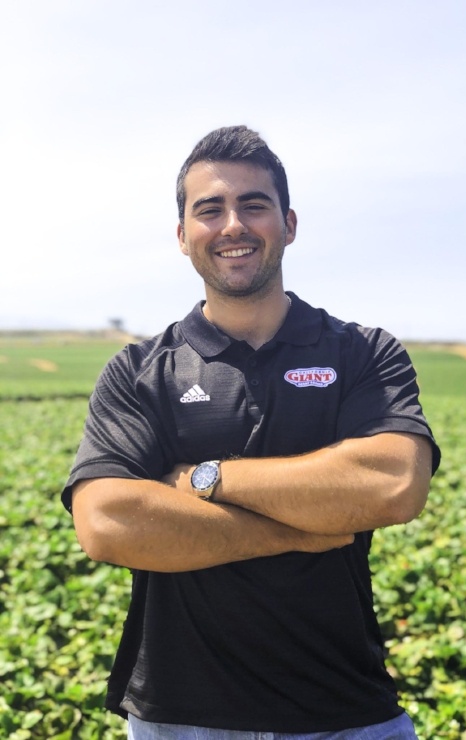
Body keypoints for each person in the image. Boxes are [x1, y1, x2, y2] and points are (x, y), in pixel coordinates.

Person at [62, 125, 440, 740]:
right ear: (184, 237)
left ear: (289, 224)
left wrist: (204, 480)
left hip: (346, 712)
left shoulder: (362, 352)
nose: (232, 224)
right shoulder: (139, 371)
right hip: (180, 718)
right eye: (209, 210)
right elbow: (108, 523)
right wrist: (300, 530)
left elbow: (393, 482)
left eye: (254, 204)